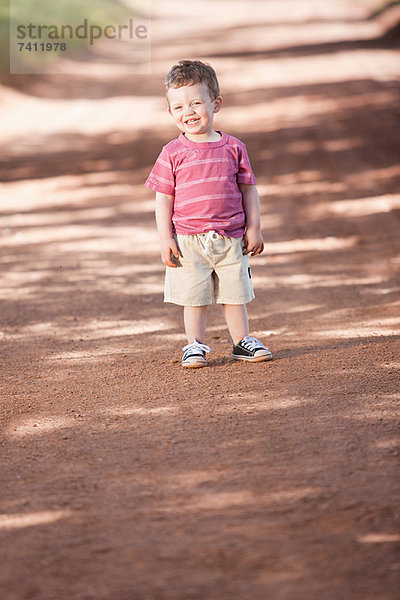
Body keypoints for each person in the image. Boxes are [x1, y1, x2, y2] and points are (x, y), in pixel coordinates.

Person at [144, 59, 273, 368]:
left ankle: (242, 341)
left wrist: (254, 227)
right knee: (194, 297)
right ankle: (195, 344)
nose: (187, 112)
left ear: (216, 104)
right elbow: (164, 199)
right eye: (178, 107)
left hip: (231, 237)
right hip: (188, 240)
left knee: (235, 294)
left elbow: (249, 190)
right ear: (170, 112)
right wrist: (165, 238)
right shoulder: (171, 153)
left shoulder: (234, 148)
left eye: (196, 103)